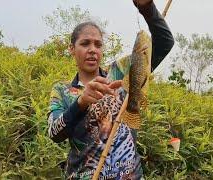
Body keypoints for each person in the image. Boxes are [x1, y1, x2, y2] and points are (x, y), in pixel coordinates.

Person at [47, 0, 174, 179]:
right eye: (85, 44)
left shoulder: (121, 71)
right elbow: (54, 132)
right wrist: (81, 102)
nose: (92, 50)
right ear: (71, 49)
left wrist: (147, 8)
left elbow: (164, 43)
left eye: (98, 45)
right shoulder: (62, 90)